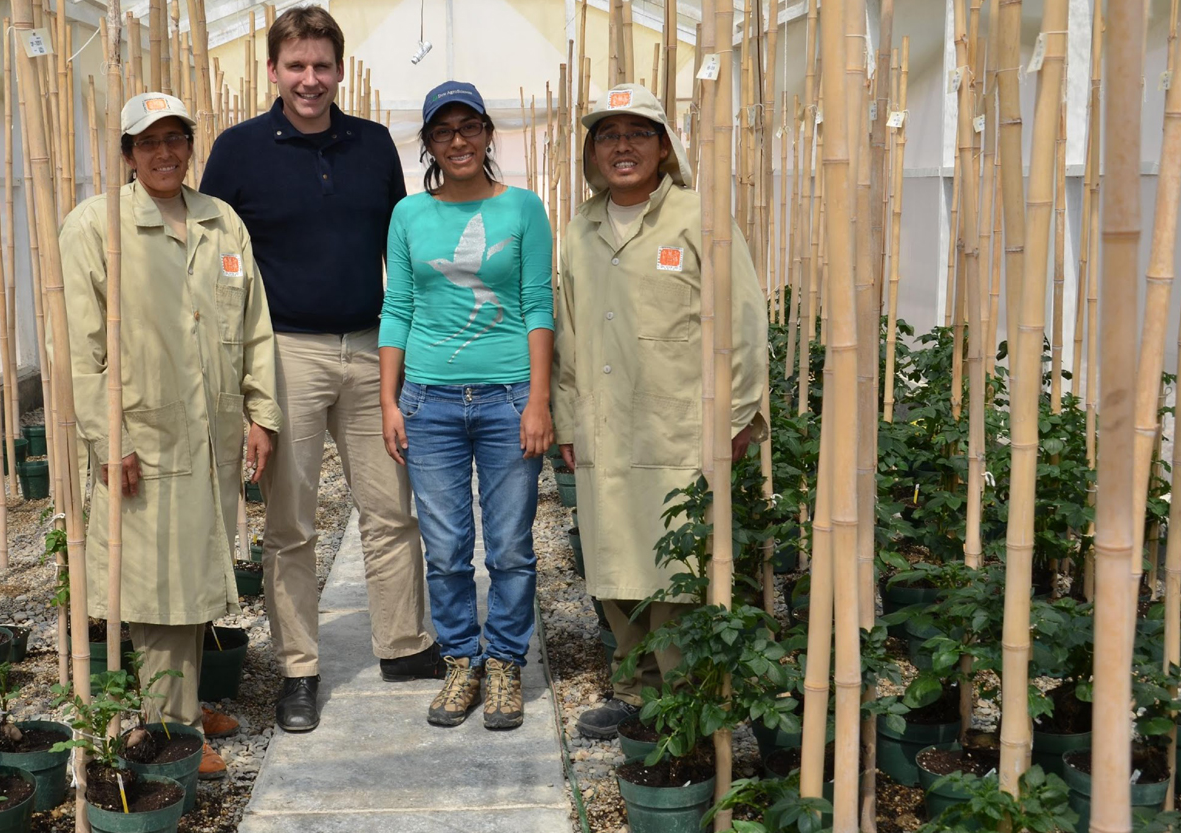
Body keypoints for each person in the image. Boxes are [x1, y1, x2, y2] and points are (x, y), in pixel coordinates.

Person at [199, 5, 439, 734]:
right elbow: (217, 269)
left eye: (322, 66)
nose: (310, 79)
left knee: (392, 508)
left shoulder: (371, 146)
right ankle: (299, 666)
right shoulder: (237, 151)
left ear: (339, 69)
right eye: (296, 66)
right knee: (291, 523)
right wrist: (245, 388)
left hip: (369, 346)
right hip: (285, 352)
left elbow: (400, 250)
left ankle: (402, 643)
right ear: (272, 71)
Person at [60, 92, 282, 777]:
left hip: (210, 429)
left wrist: (261, 410)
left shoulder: (221, 222)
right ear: (127, 154)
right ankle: (171, 726)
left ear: (190, 146)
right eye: (147, 142)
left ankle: (179, 700)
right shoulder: (96, 226)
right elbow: (80, 347)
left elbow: (254, 324)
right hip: (146, 435)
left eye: (175, 139)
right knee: (156, 582)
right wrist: (108, 436)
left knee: (196, 566)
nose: (163, 153)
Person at [552, 84, 768, 740]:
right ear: (592, 152)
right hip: (605, 421)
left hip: (682, 426)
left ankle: (684, 695)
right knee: (614, 557)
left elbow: (745, 318)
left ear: (664, 146)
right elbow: (568, 333)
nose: (623, 146)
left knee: (677, 563)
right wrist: (567, 419)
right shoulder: (579, 230)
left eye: (638, 133)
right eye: (608, 135)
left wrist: (736, 415)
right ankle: (633, 688)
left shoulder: (699, 219)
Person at [380, 82, 554, 730]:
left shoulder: (523, 209)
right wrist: (389, 401)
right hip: (429, 402)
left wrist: (537, 400)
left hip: (509, 397)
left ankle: (505, 660)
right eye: (443, 130)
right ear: (427, 143)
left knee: (510, 545)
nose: (457, 140)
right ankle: (462, 659)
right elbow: (397, 308)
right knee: (447, 546)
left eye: (469, 127)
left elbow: (538, 304)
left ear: (487, 134)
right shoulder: (409, 215)